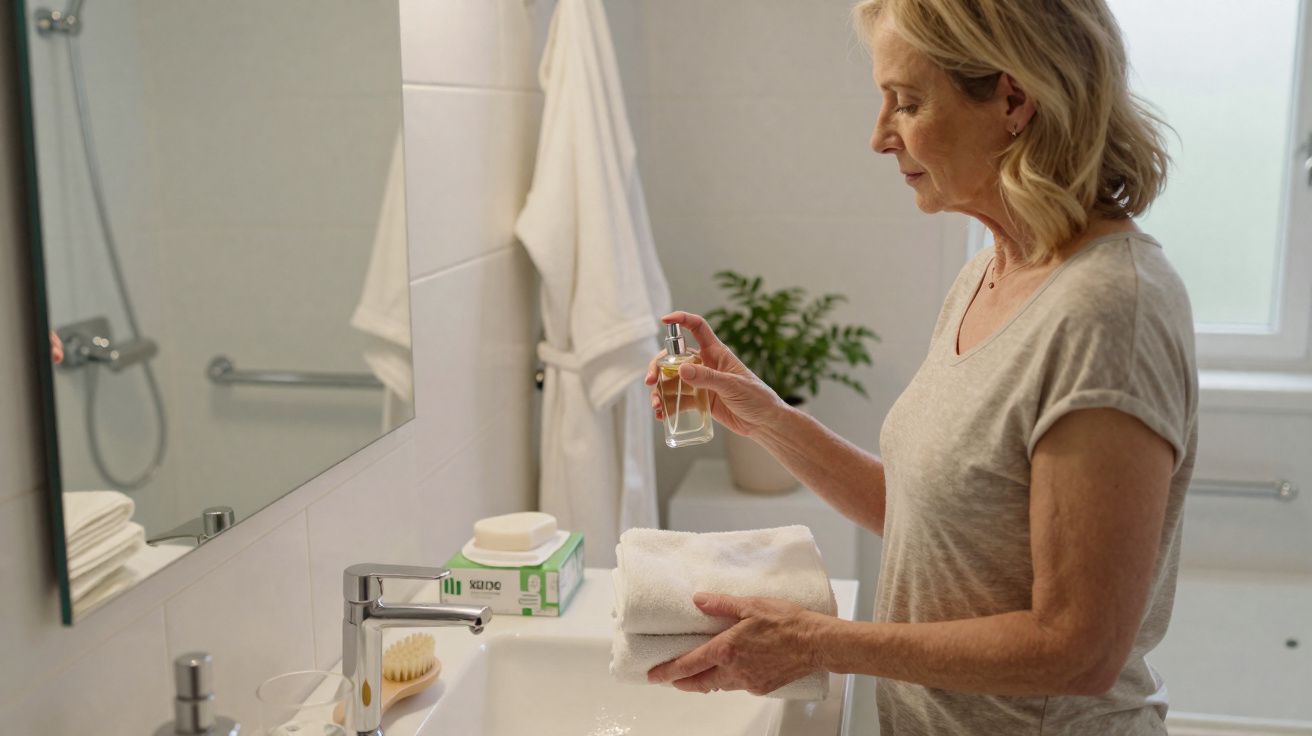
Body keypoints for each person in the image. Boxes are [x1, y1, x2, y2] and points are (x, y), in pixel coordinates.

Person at [643, 0, 1198, 733]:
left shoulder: (1108, 310)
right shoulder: (989, 272)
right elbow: (933, 523)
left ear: (1013, 99)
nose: (879, 137)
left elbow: (1077, 649)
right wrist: (765, 419)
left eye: (906, 103)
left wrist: (818, 643)